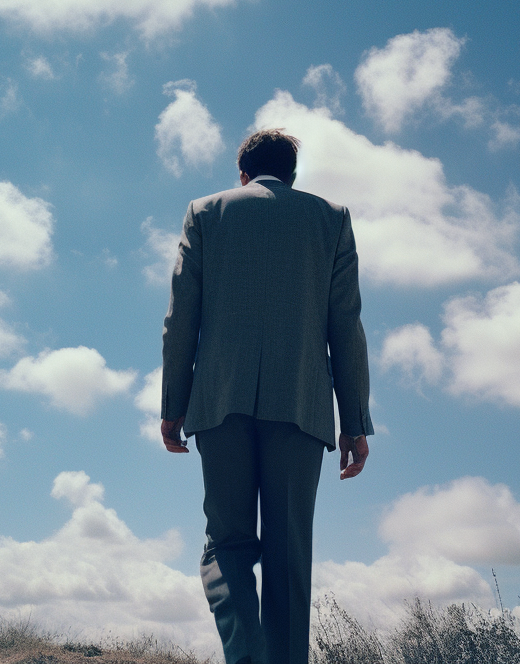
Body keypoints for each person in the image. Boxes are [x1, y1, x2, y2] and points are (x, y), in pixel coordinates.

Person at [161, 129, 373, 664]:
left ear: (243, 172)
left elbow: (179, 319)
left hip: (219, 403)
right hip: (301, 408)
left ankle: (246, 651)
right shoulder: (331, 219)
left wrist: (173, 405)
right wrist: (355, 423)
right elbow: (346, 326)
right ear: (293, 175)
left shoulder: (205, 212)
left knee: (226, 544)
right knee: (288, 557)